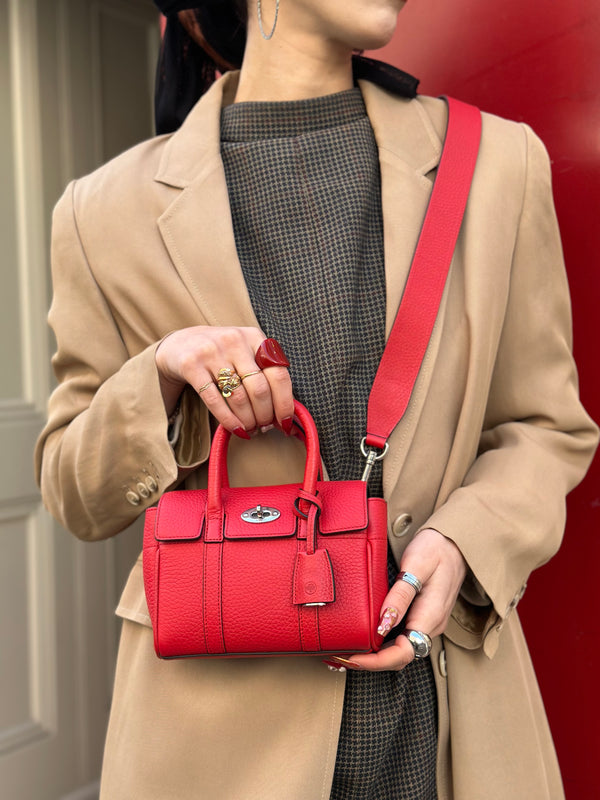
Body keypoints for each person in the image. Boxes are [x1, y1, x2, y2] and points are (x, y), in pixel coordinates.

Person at [34, 1, 598, 798]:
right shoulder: (102, 212)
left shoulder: (499, 164)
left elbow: (547, 425)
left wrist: (469, 542)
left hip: (447, 718)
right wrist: (161, 374)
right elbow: (72, 490)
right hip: (211, 745)